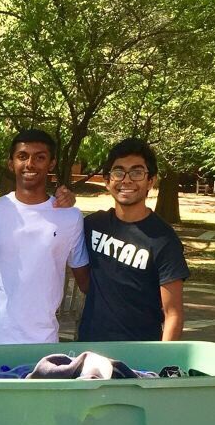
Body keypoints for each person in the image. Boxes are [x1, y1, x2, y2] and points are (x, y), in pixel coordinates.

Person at [0, 129, 89, 345]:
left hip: (42, 343)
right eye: (22, 156)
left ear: (51, 163)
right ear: (11, 163)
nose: (30, 164)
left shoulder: (71, 217)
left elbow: (86, 281)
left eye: (40, 157)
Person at [77, 138, 188, 342]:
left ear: (150, 181)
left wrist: (163, 359)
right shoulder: (92, 225)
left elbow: (173, 315)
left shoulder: (164, 239)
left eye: (137, 172)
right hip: (91, 347)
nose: (126, 180)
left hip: (140, 352)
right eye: (118, 172)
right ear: (107, 180)